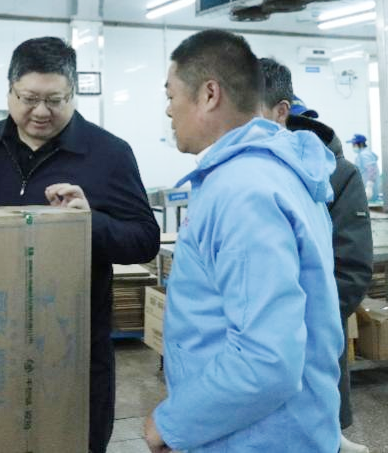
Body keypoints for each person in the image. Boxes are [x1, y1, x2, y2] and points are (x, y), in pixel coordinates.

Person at [143, 30, 343, 453]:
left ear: (209, 94)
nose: (168, 109)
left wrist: (172, 423)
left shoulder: (243, 189)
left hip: (255, 438)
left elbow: (266, 360)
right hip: (277, 428)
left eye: (171, 95)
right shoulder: (277, 170)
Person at [0, 36, 159, 453]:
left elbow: (144, 239)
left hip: (74, 347)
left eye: (55, 100)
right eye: (29, 98)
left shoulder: (108, 153)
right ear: (10, 90)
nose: (40, 111)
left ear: (73, 93)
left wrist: (89, 222)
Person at [260, 58, 374, 453]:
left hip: (311, 347)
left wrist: (296, 326)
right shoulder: (243, 171)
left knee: (314, 435)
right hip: (251, 358)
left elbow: (351, 270)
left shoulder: (338, 175)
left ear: (281, 112)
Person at [348, 134, 381, 201]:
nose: (353, 146)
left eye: (354, 144)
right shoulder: (362, 154)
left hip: (369, 191)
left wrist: (369, 186)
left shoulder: (365, 154)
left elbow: (372, 170)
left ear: (361, 144)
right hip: (365, 189)